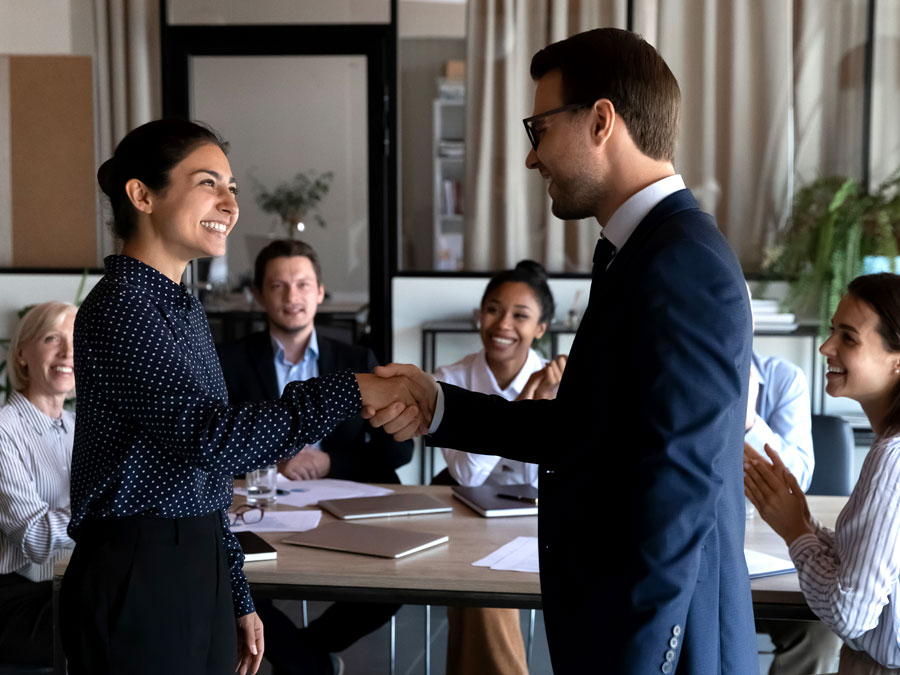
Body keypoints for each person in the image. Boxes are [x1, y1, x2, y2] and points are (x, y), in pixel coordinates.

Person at [367, 27, 757, 673]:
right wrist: (436, 405)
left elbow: (678, 489)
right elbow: (586, 429)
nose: (531, 157)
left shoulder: (683, 260)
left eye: (539, 129)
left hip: (665, 643)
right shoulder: (634, 252)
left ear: (601, 120)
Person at [59, 119, 421, 675]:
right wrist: (350, 389)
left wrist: (236, 589)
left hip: (194, 555)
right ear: (142, 194)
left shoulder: (181, 305)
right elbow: (212, 438)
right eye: (209, 183)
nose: (229, 203)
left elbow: (200, 481)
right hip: (138, 566)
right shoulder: (121, 306)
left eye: (232, 188)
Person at [218, 238, 413, 675]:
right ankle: (311, 665)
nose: (292, 297)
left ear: (321, 292)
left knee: (396, 583)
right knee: (241, 582)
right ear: (258, 295)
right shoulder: (228, 361)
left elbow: (399, 447)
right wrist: (271, 458)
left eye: (303, 284)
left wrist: (331, 463)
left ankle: (306, 654)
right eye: (279, 286)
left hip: (340, 507)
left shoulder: (355, 360)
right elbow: (209, 443)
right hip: (259, 506)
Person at [746, 272, 900, 674]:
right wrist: (804, 525)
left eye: (848, 338)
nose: (825, 346)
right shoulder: (890, 448)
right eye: (833, 330)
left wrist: (795, 532)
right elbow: (871, 563)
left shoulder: (893, 458)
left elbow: (850, 614)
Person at [434, 260, 565, 675]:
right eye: (493, 309)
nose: (502, 324)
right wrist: (520, 411)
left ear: (541, 328)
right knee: (481, 591)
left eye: (520, 315)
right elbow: (468, 475)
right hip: (470, 523)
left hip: (541, 524)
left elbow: (551, 479)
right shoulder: (450, 379)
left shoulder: (563, 383)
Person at [0, 302, 77, 665]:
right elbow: (35, 539)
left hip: (72, 588)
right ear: (22, 354)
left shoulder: (83, 428)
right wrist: (109, 501)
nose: (68, 352)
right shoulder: (4, 430)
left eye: (76, 340)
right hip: (15, 600)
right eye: (52, 338)